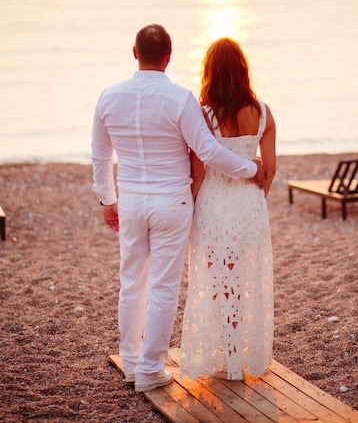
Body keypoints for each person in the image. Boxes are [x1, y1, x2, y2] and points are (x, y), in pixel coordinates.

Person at [91, 24, 265, 393]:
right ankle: (151, 370)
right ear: (169, 57)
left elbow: (101, 155)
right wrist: (251, 169)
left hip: (133, 200)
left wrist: (108, 200)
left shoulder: (108, 97)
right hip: (172, 201)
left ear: (134, 53)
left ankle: (132, 363)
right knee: (164, 287)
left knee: (131, 282)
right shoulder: (180, 98)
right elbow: (208, 151)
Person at [179, 37, 276, 380]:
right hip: (250, 207)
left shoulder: (204, 116)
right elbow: (270, 168)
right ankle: (239, 357)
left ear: (211, 73)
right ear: (242, 70)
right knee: (246, 278)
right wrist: (254, 199)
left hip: (215, 206)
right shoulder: (263, 112)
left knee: (218, 281)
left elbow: (199, 169)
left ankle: (227, 356)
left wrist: (188, 205)